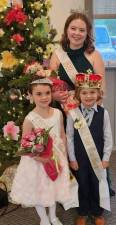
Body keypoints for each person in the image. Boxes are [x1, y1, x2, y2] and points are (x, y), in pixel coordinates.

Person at [49, 11, 115, 197]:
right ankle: (70, 192)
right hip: (64, 111)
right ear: (66, 30)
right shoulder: (57, 55)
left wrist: (82, 101)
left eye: (82, 30)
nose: (77, 33)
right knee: (69, 151)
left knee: (91, 149)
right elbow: (51, 87)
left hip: (88, 113)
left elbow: (101, 90)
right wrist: (57, 95)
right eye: (73, 28)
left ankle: (99, 188)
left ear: (87, 33)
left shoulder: (94, 55)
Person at [10, 76, 71, 225]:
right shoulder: (30, 119)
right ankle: (43, 219)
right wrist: (41, 158)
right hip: (37, 162)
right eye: (39, 94)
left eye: (47, 93)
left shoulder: (57, 113)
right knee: (39, 190)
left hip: (56, 157)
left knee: (53, 188)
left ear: (51, 94)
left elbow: (62, 133)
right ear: (31, 96)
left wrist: (63, 153)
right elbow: (25, 146)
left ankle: (53, 216)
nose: (44, 97)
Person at [66, 73, 113, 225]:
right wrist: (72, 158)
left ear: (98, 93)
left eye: (92, 92)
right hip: (79, 158)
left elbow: (108, 137)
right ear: (78, 94)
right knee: (82, 184)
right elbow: (69, 137)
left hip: (98, 158)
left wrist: (106, 158)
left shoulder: (104, 113)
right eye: (84, 93)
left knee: (97, 183)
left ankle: (97, 212)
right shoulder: (73, 113)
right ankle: (83, 212)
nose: (88, 96)